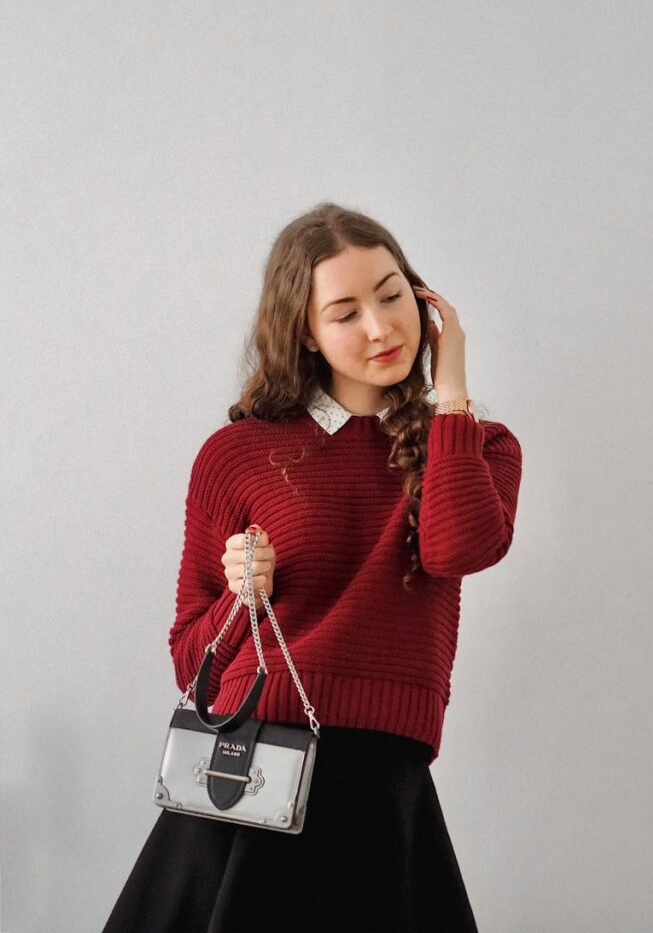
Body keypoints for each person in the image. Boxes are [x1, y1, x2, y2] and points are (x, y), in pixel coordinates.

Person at [101, 202, 523, 932]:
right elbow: (188, 661)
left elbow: (459, 550)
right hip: (255, 777)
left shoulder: (475, 448)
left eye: (392, 296)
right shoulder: (237, 455)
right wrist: (241, 597)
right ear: (305, 331)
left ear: (423, 299)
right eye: (345, 311)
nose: (380, 327)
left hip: (379, 781)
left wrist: (448, 391)